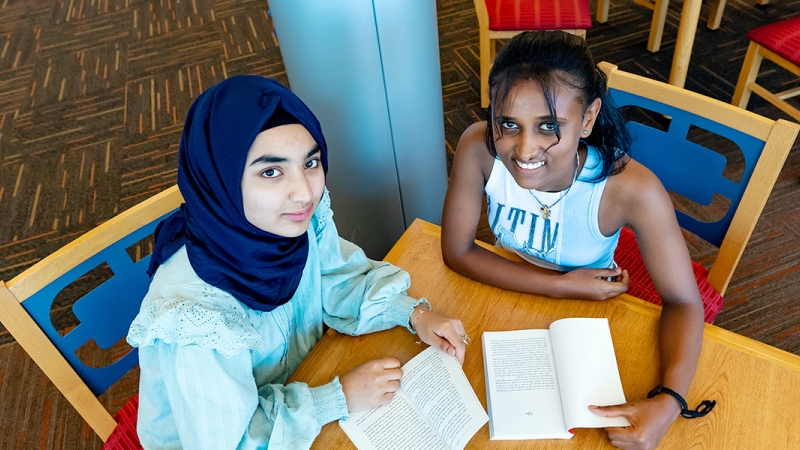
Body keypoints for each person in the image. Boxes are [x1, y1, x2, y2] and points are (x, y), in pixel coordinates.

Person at [127, 75, 468, 449]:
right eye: (271, 172)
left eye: (311, 162)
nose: (305, 192)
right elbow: (232, 442)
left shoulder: (287, 224)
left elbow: (337, 278)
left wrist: (413, 313)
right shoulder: (195, 317)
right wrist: (337, 399)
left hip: (303, 382)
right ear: (220, 181)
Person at [441, 31, 704, 449]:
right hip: (515, 296)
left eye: (549, 127)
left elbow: (685, 302)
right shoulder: (478, 146)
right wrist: (562, 285)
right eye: (508, 123)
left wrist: (670, 401)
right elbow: (456, 251)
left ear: (587, 118)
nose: (524, 150)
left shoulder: (630, 189)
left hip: (589, 321)